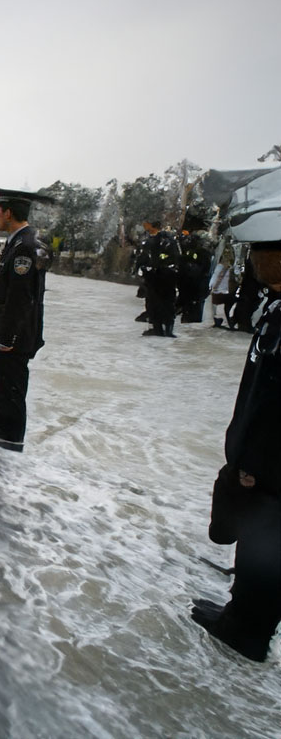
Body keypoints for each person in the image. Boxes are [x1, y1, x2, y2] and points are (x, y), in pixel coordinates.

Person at [191, 239, 281, 662]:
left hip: (274, 461)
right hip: (261, 453)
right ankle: (242, 615)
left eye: (264, 251)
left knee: (268, 545)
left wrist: (255, 462)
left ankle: (247, 633)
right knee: (256, 539)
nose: (254, 259)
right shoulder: (276, 305)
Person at [0, 188, 53, 452]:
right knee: (2, 377)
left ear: (8, 212)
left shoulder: (25, 247)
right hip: (8, 325)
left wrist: (8, 336)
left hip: (16, 330)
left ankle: (12, 434)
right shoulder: (19, 242)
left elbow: (21, 298)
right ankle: (2, 423)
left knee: (13, 381)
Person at [138, 219, 181, 337]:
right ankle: (166, 329)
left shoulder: (153, 242)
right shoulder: (170, 242)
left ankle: (160, 329)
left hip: (158, 278)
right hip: (166, 278)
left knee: (156, 303)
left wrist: (145, 270)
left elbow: (145, 259)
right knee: (164, 303)